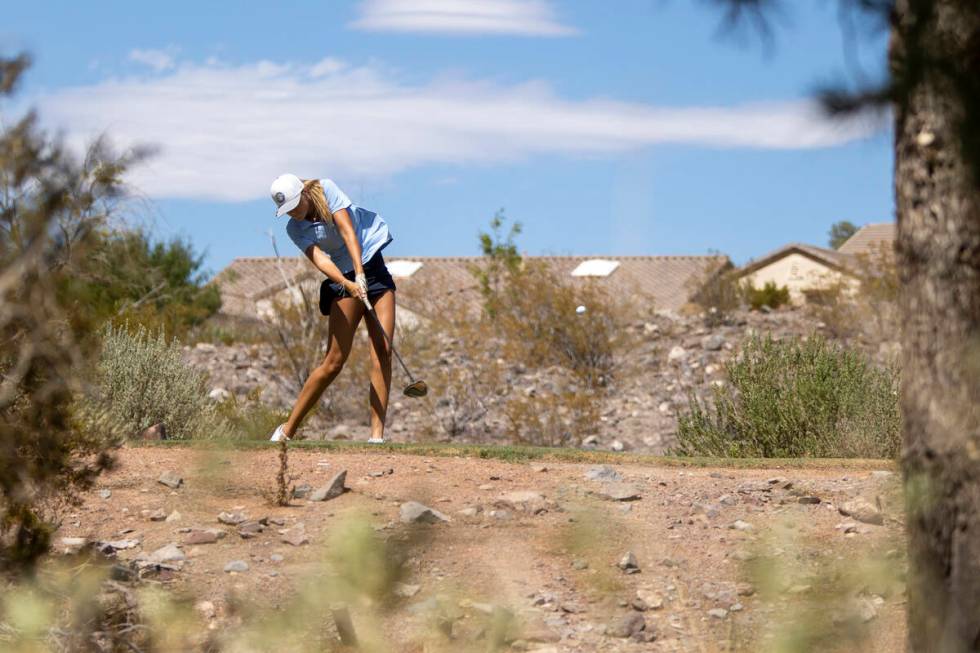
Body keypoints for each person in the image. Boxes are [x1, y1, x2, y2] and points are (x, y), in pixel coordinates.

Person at [267, 173, 396, 443]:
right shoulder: (295, 228)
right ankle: (286, 431)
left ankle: (376, 437)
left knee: (383, 351)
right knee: (334, 361)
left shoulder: (326, 190)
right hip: (344, 277)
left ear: (303, 194)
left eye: (294, 205)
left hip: (373, 268)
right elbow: (320, 261)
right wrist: (349, 283)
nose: (293, 213)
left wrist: (361, 273)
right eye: (287, 210)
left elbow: (348, 232)